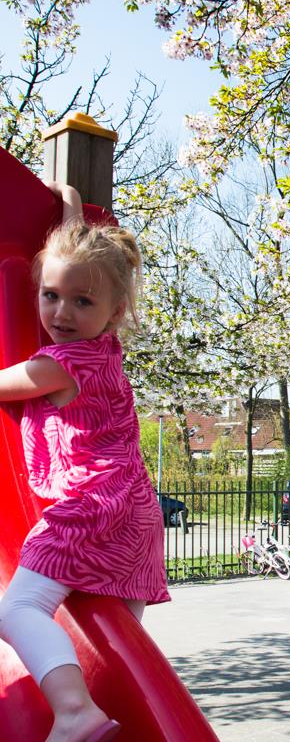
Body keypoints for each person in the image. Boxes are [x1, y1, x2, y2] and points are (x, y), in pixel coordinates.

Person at [0, 196, 165, 742]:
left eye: (80, 302)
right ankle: (117, 713)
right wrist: (70, 207)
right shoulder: (106, 349)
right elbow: (82, 268)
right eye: (49, 296)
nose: (61, 313)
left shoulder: (58, 364)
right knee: (114, 646)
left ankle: (74, 712)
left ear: (114, 312)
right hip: (135, 512)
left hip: (89, 506)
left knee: (18, 609)